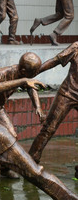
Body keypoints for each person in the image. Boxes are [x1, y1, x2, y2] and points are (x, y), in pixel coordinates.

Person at [0, 52, 45, 179]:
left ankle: (5, 169)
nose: (35, 74)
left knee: (11, 136)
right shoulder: (2, 74)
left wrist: (38, 107)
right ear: (24, 70)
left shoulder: (22, 74)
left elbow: (31, 87)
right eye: (34, 72)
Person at [29, 41, 78, 179]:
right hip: (68, 93)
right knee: (49, 128)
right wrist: (35, 71)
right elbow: (56, 60)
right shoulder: (76, 47)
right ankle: (30, 162)